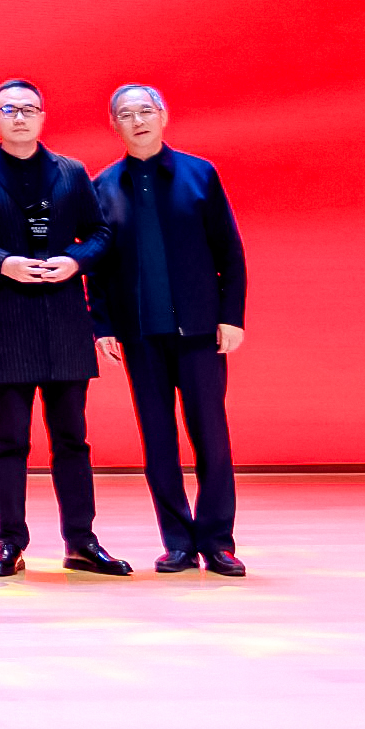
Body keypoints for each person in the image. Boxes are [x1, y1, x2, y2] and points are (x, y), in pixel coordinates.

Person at [0, 78, 129, 579]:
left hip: (65, 319)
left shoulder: (71, 172)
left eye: (29, 109)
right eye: (9, 109)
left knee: (72, 440)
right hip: (8, 322)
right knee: (9, 442)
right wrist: (3, 262)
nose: (20, 117)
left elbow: (100, 233)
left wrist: (75, 260)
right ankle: (10, 542)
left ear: (43, 117)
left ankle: (82, 541)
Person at [91, 84, 250, 577]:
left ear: (163, 116)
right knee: (158, 440)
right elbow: (98, 266)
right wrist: (102, 324)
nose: (137, 120)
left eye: (145, 111)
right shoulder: (103, 185)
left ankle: (218, 542)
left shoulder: (200, 174)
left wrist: (231, 316)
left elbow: (229, 251)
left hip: (199, 330)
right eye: (126, 114)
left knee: (211, 437)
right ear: (114, 125)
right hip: (140, 334)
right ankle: (177, 543)